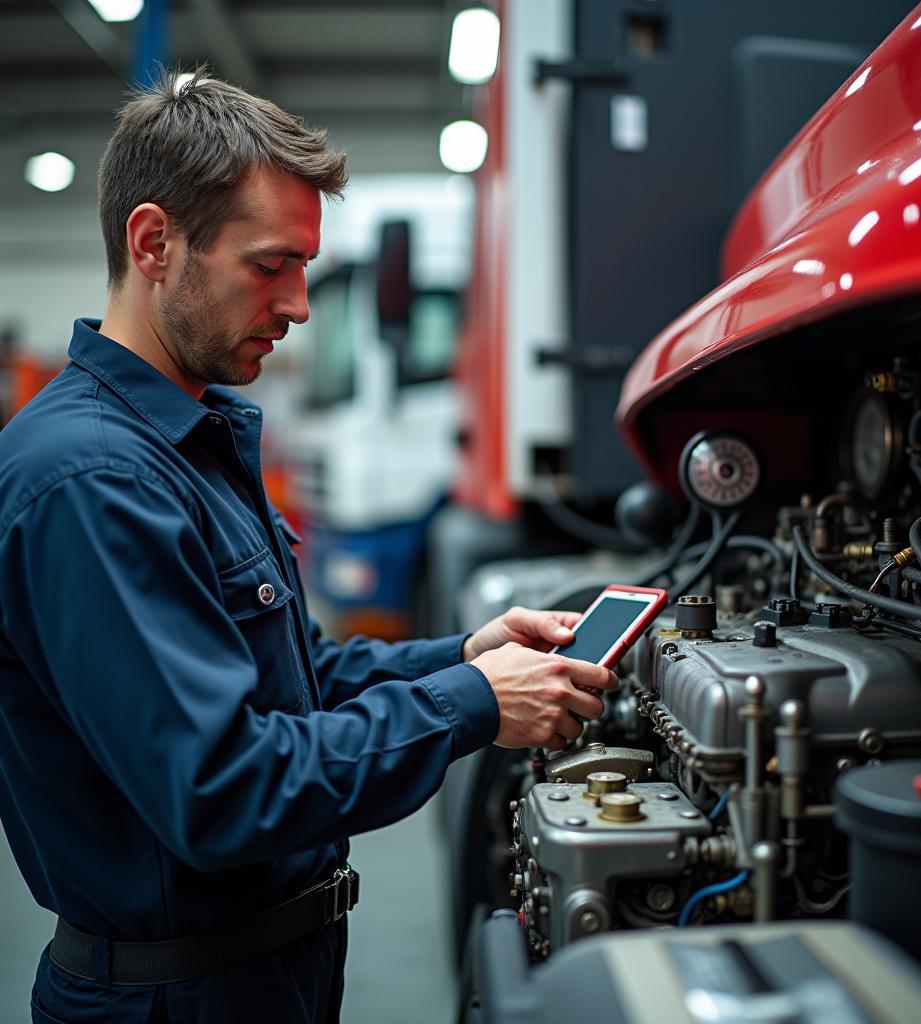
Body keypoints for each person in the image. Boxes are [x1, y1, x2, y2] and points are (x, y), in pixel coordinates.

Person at [0, 72, 616, 1024]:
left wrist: (464, 655)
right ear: (155, 243)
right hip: (177, 1000)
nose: (299, 304)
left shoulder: (190, 445)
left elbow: (301, 677)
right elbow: (220, 789)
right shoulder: (93, 481)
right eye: (268, 265)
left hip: (256, 976)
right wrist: (471, 708)